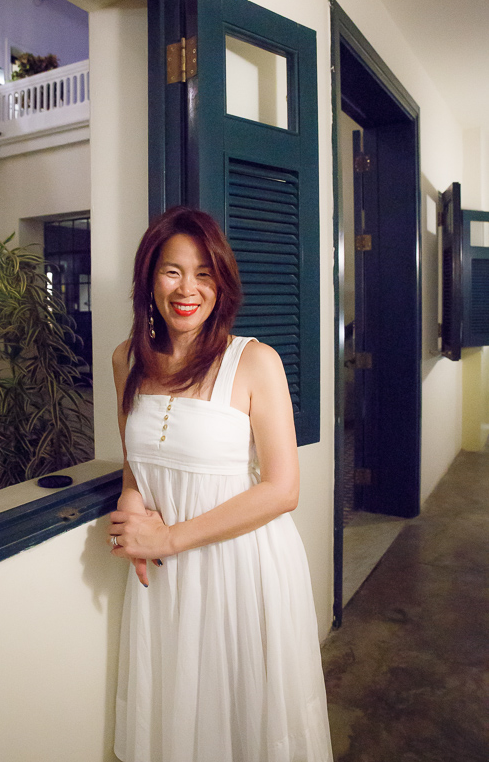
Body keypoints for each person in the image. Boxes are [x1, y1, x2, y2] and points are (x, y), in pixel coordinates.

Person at [108, 206, 333, 762]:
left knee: (244, 716)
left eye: (204, 274)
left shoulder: (254, 361)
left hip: (241, 567)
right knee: (179, 713)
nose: (188, 289)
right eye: (172, 271)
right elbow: (136, 461)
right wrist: (132, 512)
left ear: (221, 284)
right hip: (165, 576)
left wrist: (168, 538)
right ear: (149, 280)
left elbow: (283, 489)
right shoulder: (126, 360)